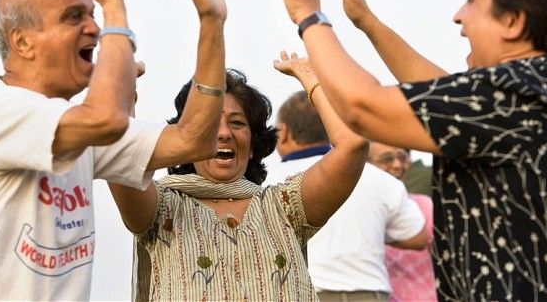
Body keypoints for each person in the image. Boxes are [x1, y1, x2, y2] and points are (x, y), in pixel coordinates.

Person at [276, 0, 547, 301]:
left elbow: (362, 106)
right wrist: (367, 22)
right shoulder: (537, 92)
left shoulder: (516, 94)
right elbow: (442, 95)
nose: (458, 17)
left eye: (474, 0)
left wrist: (308, 15)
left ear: (513, 21)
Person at [0, 0, 225, 301]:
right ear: (23, 43)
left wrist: (212, 22)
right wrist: (114, 7)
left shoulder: (75, 126)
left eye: (93, 14)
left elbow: (193, 140)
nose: (94, 29)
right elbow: (108, 118)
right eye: (74, 16)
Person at [109, 51, 368, 301]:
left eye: (237, 123)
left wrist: (313, 80)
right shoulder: (162, 210)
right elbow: (122, 158)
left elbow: (352, 145)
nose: (223, 133)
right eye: (208, 123)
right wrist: (123, 91)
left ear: (254, 143)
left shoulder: (285, 208)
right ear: (185, 142)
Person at [267, 89, 427, 301]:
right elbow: (417, 237)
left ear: (283, 132)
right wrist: (371, 228)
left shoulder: (265, 181)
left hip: (295, 291)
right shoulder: (381, 179)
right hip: (368, 292)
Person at [369, 142, 437, 302]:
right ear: (366, 164)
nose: (397, 165)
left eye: (403, 158)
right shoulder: (355, 208)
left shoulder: (424, 205)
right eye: (387, 159)